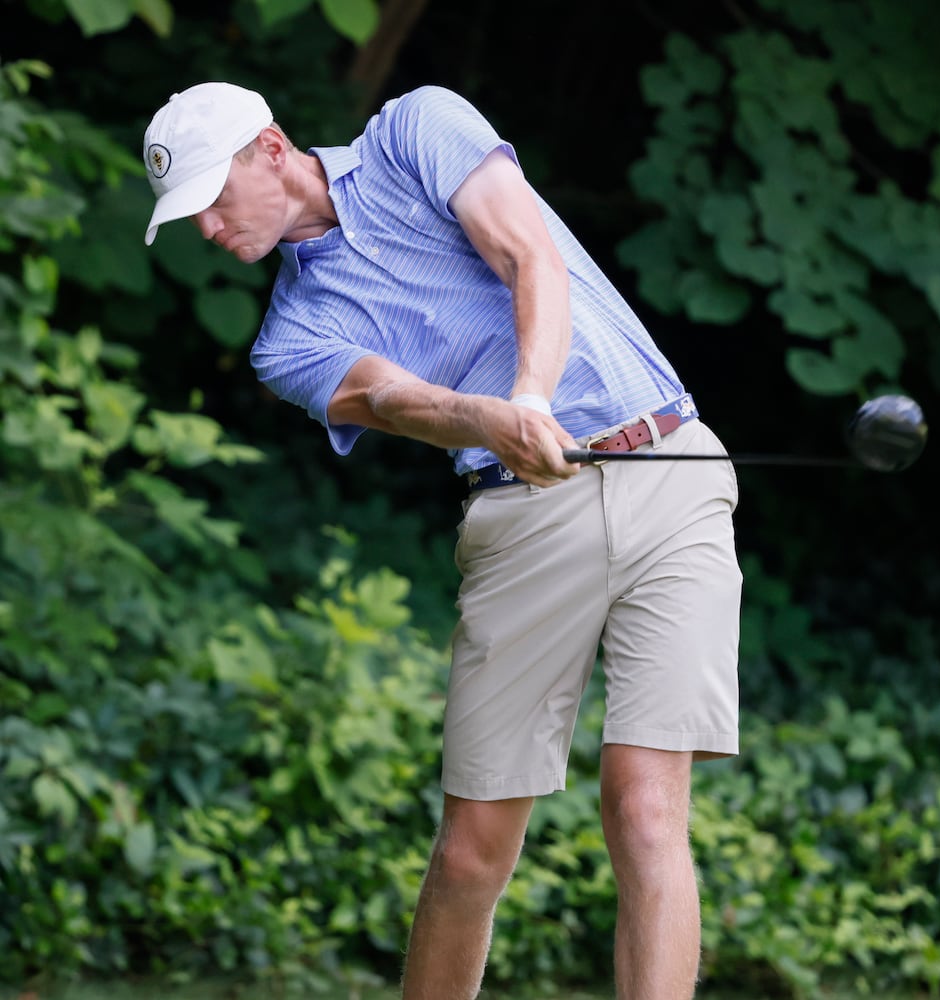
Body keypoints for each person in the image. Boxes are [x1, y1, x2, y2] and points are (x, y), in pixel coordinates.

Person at [141, 81, 742, 1000]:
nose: (209, 231)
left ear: (269, 148)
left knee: (646, 809)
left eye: (212, 200)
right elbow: (388, 400)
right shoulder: (289, 337)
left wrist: (530, 396)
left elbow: (527, 253)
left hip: (670, 463)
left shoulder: (416, 127)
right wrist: (486, 419)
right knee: (470, 853)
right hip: (521, 517)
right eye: (190, 219)